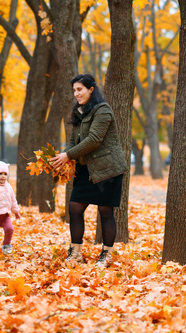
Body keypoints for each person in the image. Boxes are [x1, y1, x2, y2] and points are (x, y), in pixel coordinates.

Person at [50, 74, 128, 268]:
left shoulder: (103, 110)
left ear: (91, 89)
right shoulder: (78, 111)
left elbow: (94, 139)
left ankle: (106, 254)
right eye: (74, 90)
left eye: (80, 89)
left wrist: (68, 156)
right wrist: (64, 155)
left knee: (105, 211)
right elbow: (72, 141)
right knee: (75, 207)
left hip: (108, 168)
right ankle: (75, 252)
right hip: (86, 168)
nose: (76, 93)